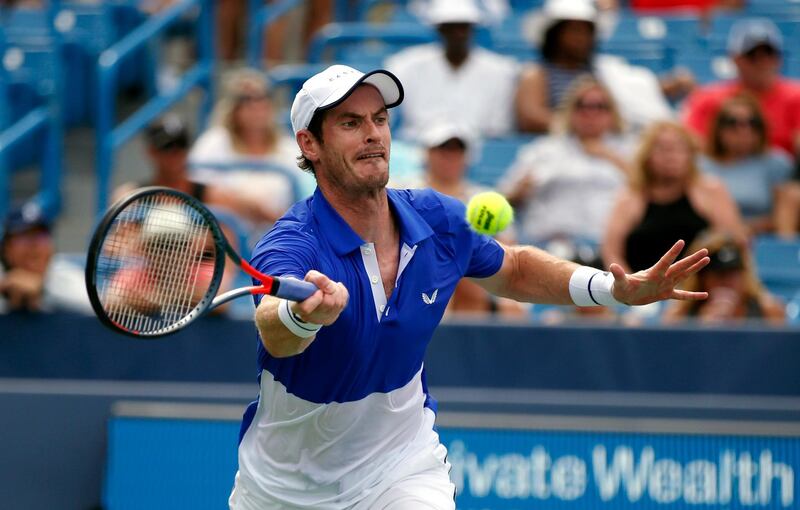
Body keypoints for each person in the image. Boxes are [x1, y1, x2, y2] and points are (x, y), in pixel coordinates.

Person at [228, 63, 711, 510]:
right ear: (309, 144)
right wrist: (302, 314)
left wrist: (611, 289)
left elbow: (516, 268)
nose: (373, 134)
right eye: (351, 124)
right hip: (281, 490)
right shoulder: (293, 241)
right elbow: (273, 328)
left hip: (399, 469)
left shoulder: (437, 217)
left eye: (379, 119)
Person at [394, 119, 525, 318]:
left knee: (510, 309)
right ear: (427, 153)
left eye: (457, 150)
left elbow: (509, 252)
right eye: (443, 149)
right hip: (414, 278)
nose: (450, 157)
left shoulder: (485, 198)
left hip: (476, 283)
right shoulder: (403, 192)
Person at [500, 77, 634, 246]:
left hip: (610, 247)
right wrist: (519, 192)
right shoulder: (543, 150)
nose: (590, 113)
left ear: (612, 113)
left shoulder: (630, 150)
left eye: (600, 106)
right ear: (570, 111)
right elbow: (504, 197)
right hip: (551, 246)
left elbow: (654, 192)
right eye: (582, 105)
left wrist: (612, 158)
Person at [515, 0, 678, 134]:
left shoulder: (605, 72)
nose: (580, 38)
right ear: (555, 35)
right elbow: (529, 117)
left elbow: (634, 95)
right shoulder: (537, 74)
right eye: (573, 30)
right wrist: (580, 126)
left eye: (586, 32)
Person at [602, 121, 744, 273]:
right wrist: (630, 286)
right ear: (646, 156)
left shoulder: (710, 190)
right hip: (642, 288)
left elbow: (733, 241)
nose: (671, 156)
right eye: (662, 149)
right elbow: (612, 252)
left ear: (691, 154)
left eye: (679, 149)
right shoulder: (630, 197)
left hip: (699, 289)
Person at [384, 0, 519, 140]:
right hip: (418, 148)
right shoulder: (405, 65)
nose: (458, 34)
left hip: (479, 150)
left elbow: (498, 129)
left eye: (463, 27)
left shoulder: (501, 70)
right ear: (439, 29)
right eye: (450, 27)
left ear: (472, 28)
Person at [114, 114, 283, 225]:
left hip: (198, 274)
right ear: (151, 152)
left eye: (180, 146)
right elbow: (114, 246)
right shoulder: (131, 196)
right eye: (167, 148)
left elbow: (256, 210)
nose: (175, 154)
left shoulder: (212, 195)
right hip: (144, 273)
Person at [189, 68, 317, 212]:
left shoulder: (289, 148)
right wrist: (254, 210)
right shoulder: (214, 141)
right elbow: (198, 190)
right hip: (223, 229)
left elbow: (308, 197)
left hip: (281, 229)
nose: (256, 106)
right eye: (247, 99)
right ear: (233, 107)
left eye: (263, 98)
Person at [682, 18, 800, 158]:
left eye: (769, 53)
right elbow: (690, 144)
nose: (762, 62)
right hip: (724, 172)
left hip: (782, 176)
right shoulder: (708, 99)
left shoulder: (796, 97)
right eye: (752, 55)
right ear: (735, 59)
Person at [700, 94, 794, 235]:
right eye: (732, 122)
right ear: (718, 128)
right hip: (710, 243)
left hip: (764, 242)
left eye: (752, 123)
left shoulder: (777, 163)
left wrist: (747, 228)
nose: (743, 130)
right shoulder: (700, 165)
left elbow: (788, 215)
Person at [663, 230, 785, 325]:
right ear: (703, 278)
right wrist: (701, 328)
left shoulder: (769, 311)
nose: (728, 281)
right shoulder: (680, 316)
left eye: (734, 273)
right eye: (719, 274)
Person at [0, 203, 91, 314]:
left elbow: (94, 311)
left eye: (41, 236)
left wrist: (42, 291)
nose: (34, 245)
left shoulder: (66, 276)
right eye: (24, 237)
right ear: (6, 250)